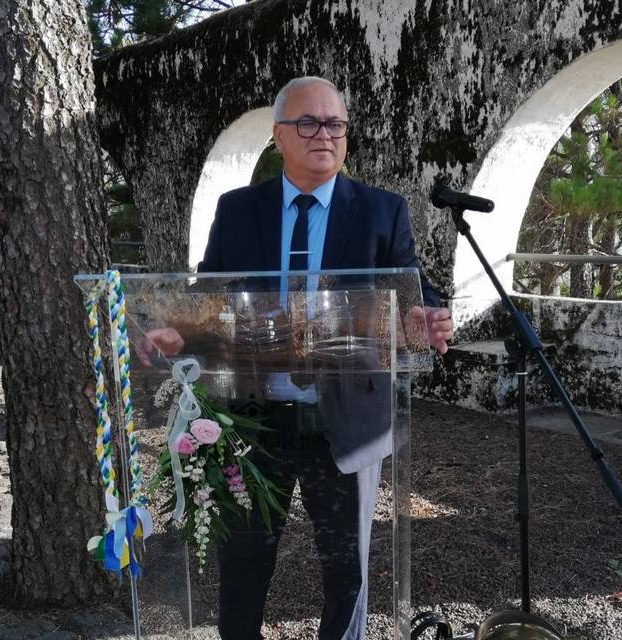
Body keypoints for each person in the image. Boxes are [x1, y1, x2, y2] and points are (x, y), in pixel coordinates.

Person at [146, 76, 453, 640]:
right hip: (252, 420)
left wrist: (423, 318)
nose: (324, 134)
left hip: (345, 418)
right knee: (242, 564)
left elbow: (412, 293)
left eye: (334, 123)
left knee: (347, 571)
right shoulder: (238, 210)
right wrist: (179, 331)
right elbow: (209, 294)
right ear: (278, 137)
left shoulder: (383, 212)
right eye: (308, 123)